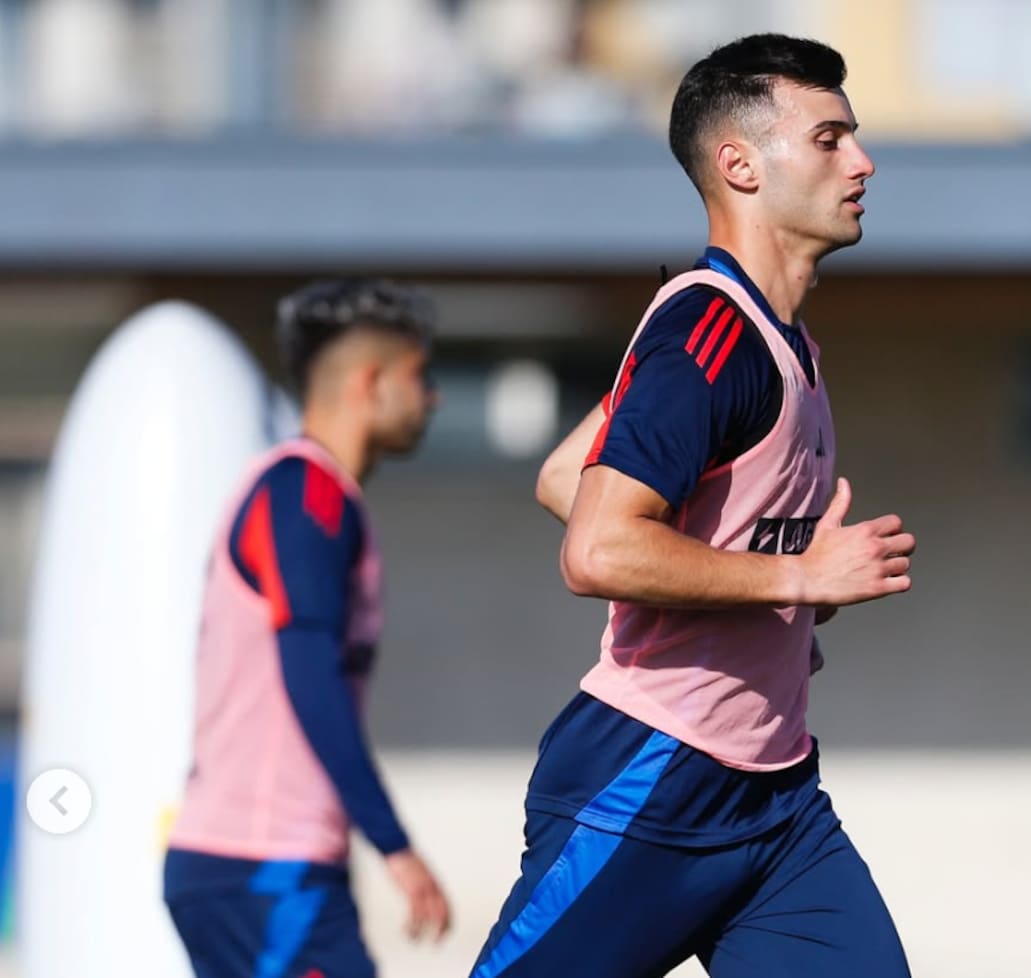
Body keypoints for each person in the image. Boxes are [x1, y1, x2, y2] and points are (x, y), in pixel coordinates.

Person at [471, 34, 915, 978]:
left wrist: (773, 581)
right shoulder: (710, 332)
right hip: (654, 776)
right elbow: (597, 549)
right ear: (740, 165)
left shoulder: (776, 336)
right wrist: (796, 575)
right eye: (830, 139)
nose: (863, 162)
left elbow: (564, 475)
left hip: (777, 801)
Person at [164, 279, 450, 978]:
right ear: (369, 382)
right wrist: (394, 843)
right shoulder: (306, 493)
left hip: (255, 865)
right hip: (263, 863)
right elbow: (310, 672)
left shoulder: (309, 492)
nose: (434, 397)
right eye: (420, 376)